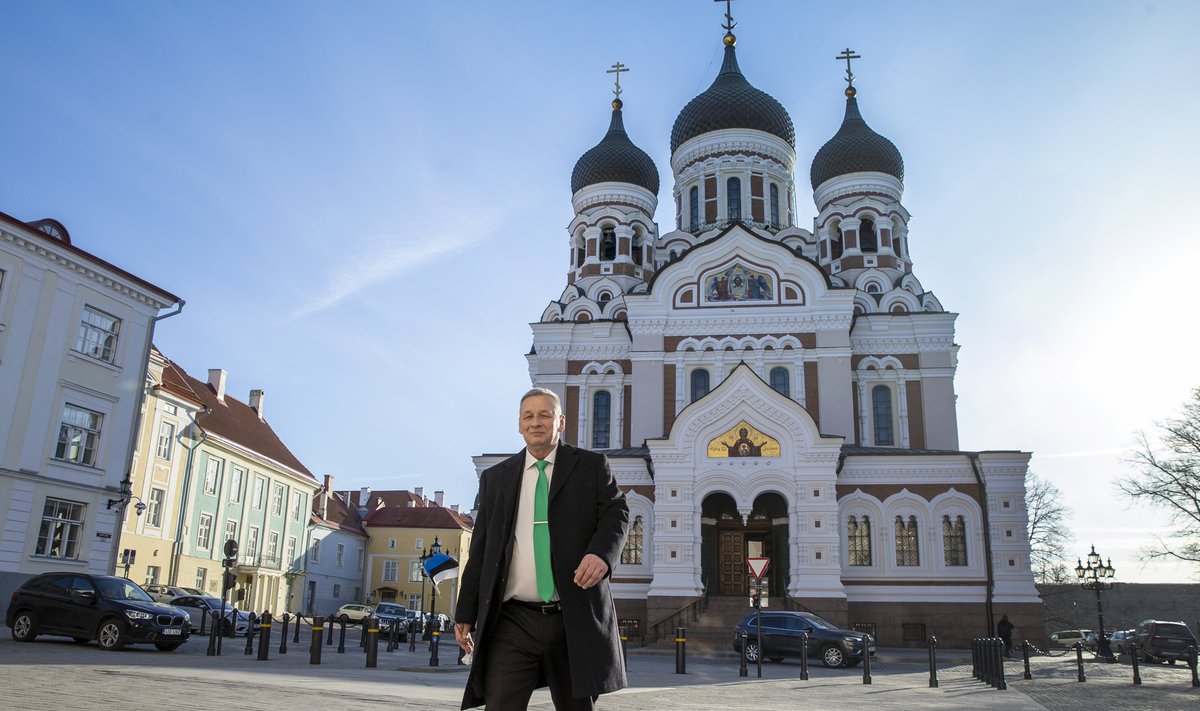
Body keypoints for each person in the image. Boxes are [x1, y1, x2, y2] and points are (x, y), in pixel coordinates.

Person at [455, 387, 630, 710]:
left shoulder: (591, 467)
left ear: (560, 422)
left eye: (545, 415)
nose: (536, 422)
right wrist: (465, 612)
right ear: (519, 425)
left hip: (572, 618)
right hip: (512, 620)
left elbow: (617, 512)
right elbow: (481, 551)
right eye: (529, 416)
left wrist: (601, 554)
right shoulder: (497, 479)